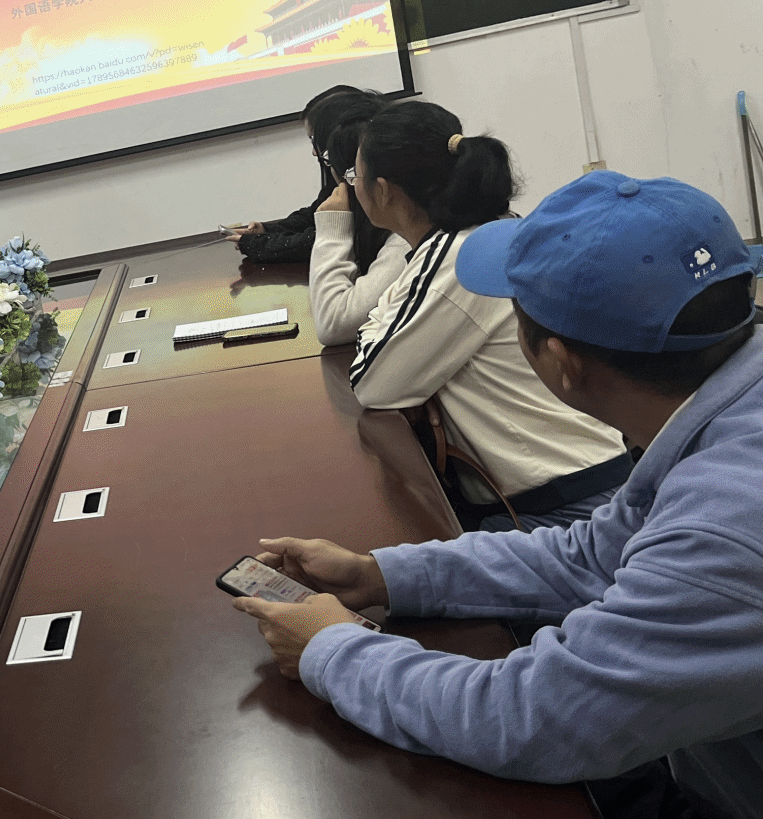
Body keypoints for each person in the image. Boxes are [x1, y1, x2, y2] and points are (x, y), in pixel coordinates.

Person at [231, 171, 763, 819]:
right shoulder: (722, 409)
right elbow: (594, 554)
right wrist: (386, 574)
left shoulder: (728, 523)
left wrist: (331, 650)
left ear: (558, 362)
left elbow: (537, 717)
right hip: (721, 792)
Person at [343, 100, 629, 530]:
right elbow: (382, 321)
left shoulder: (457, 260)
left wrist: (379, 327)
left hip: (558, 505)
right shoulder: (489, 230)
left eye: (354, 176)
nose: (353, 186)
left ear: (383, 190)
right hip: (586, 478)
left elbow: (373, 382)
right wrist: (383, 324)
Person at [227, 85, 377, 264]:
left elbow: (318, 240)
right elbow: (315, 214)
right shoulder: (343, 178)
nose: (314, 152)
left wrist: (257, 245)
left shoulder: (360, 181)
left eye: (315, 140)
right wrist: (268, 230)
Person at [306, 105, 403, 345]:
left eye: (353, 177)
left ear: (381, 187)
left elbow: (333, 324)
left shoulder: (407, 243)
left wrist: (332, 230)